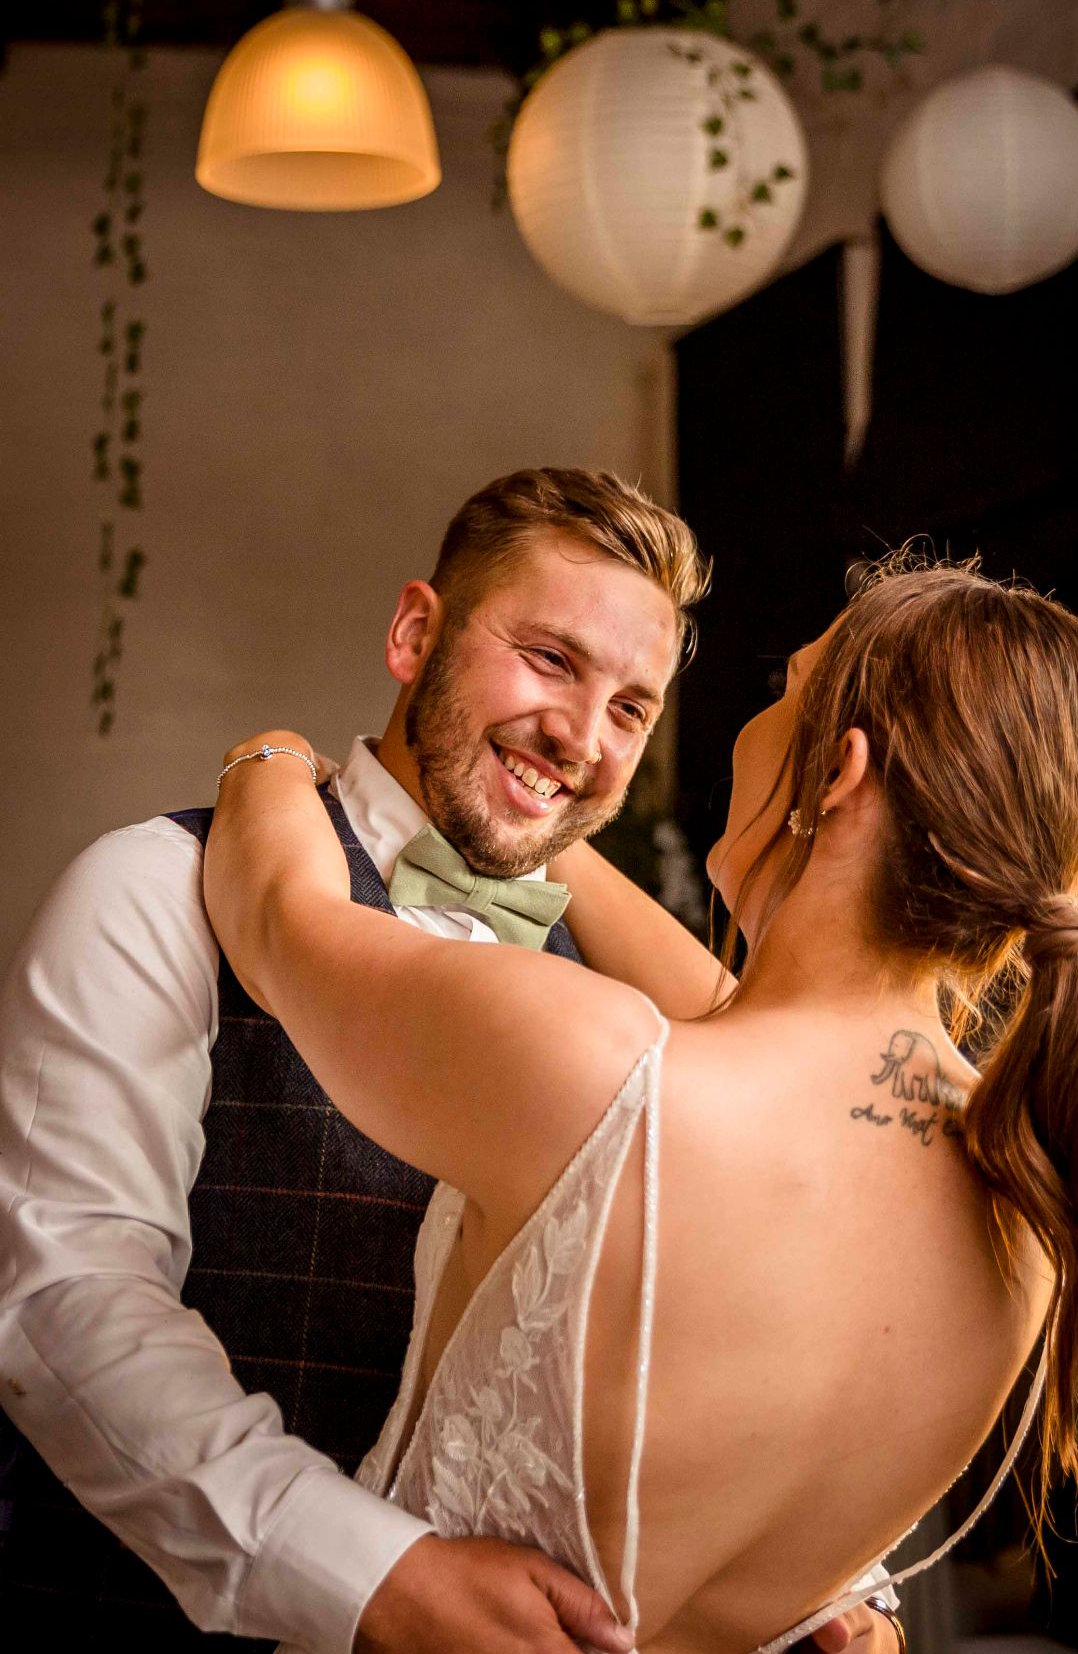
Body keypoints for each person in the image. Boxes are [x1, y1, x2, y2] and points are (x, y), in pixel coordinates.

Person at [202, 558, 1078, 1652]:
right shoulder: (1022, 1208)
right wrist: (548, 815)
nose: (748, 723)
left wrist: (273, 756)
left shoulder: (604, 1075)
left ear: (839, 773)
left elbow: (279, 918)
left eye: (785, 690)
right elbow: (752, 1016)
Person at [0, 466, 890, 1654]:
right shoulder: (153, 889)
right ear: (416, 633)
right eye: (551, 660)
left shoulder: (645, 1006)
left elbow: (732, 1334)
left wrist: (837, 1583)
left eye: (632, 708)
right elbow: (67, 1304)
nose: (580, 738)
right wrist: (375, 1578)